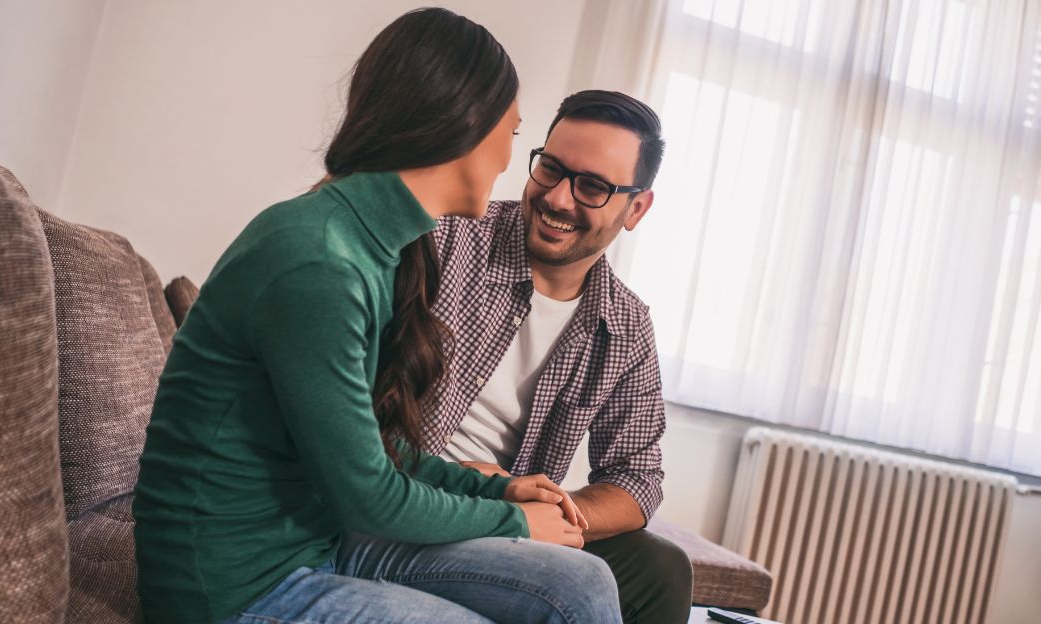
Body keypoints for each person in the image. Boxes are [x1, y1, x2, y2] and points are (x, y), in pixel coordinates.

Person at [132, 9, 621, 624]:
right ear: (463, 126)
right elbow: (369, 496)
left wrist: (495, 487)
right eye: (513, 135)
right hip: (234, 587)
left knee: (583, 583)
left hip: (317, 541)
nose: (506, 163)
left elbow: (375, 452)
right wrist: (516, 520)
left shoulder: (378, 245)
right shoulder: (319, 260)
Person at [425, 90, 693, 623]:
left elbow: (637, 478)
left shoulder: (625, 324)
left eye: (592, 186)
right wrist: (487, 494)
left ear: (636, 208)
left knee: (660, 569)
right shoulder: (447, 238)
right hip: (415, 498)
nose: (558, 199)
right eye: (550, 168)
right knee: (575, 583)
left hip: (511, 520)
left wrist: (553, 513)